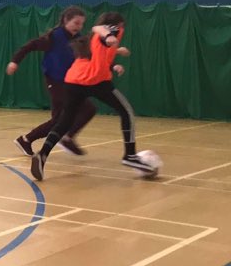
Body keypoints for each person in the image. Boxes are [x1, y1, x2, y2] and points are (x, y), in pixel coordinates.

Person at [31, 11, 153, 180]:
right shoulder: (109, 30)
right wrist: (110, 36)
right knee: (127, 112)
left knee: (65, 121)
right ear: (118, 25)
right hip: (95, 81)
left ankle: (42, 154)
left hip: (74, 81)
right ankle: (130, 156)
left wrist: (116, 52)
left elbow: (99, 53)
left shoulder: (90, 40)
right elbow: (100, 29)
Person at [7, 6, 96, 157]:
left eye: (81, 24)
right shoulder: (55, 36)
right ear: (66, 21)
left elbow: (91, 56)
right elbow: (30, 46)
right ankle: (65, 138)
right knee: (71, 115)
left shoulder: (79, 39)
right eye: (76, 23)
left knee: (72, 115)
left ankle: (27, 140)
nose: (79, 27)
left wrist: (113, 64)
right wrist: (15, 61)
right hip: (55, 82)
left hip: (71, 82)